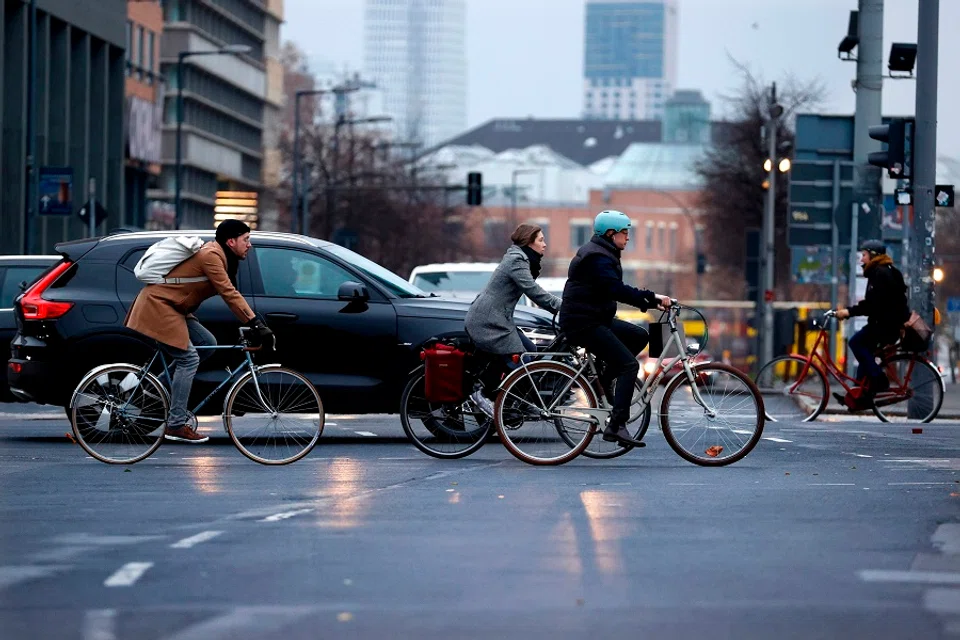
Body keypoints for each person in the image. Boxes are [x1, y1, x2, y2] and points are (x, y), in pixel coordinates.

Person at [125, 220, 274, 443]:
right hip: (159, 306)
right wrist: (255, 323)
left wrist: (253, 321)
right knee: (189, 359)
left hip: (174, 308)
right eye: (246, 239)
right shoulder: (211, 256)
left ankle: (154, 388)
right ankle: (175, 424)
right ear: (230, 241)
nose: (249, 245)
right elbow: (228, 293)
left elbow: (231, 293)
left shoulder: (223, 256)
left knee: (207, 342)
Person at [560, 210, 671, 447]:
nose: (627, 237)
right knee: (629, 365)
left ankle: (603, 376)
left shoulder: (603, 253)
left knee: (639, 335)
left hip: (594, 318)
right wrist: (652, 299)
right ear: (611, 233)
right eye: (624, 232)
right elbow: (616, 289)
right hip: (583, 323)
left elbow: (612, 289)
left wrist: (650, 299)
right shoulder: (597, 257)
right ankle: (617, 425)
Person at [464, 223, 561, 416]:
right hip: (487, 321)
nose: (545, 244)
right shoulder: (516, 260)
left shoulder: (521, 258)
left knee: (530, 352)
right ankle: (482, 394)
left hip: (498, 319)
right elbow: (534, 291)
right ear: (528, 242)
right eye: (541, 240)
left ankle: (519, 401)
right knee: (518, 359)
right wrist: (564, 306)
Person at [835, 239, 910, 405]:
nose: (861, 259)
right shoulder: (886, 270)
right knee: (865, 353)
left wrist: (848, 312)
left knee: (856, 343)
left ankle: (879, 380)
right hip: (888, 324)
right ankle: (859, 394)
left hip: (886, 326)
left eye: (864, 255)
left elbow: (872, 305)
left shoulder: (879, 273)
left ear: (873, 255)